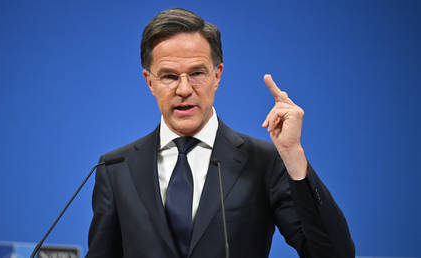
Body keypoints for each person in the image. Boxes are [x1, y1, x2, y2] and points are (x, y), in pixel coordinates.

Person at [86, 8, 354, 258]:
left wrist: (293, 155)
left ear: (217, 75)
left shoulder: (263, 161)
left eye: (197, 73)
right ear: (149, 81)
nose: (183, 89)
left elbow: (334, 254)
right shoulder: (116, 168)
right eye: (169, 76)